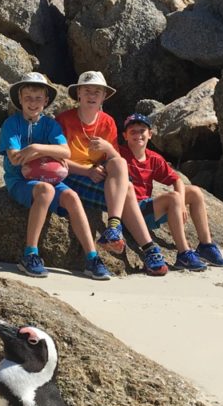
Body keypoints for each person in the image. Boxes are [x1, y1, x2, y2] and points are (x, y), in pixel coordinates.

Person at [0, 72, 112, 281]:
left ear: (46, 100)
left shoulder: (50, 125)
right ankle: (30, 254)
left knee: (72, 197)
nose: (33, 103)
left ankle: (92, 257)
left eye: (38, 98)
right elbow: (15, 159)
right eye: (28, 98)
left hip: (49, 178)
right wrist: (47, 154)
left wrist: (36, 149)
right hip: (20, 182)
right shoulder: (11, 125)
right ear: (20, 99)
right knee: (46, 190)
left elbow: (65, 152)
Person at [56, 71, 169, 276]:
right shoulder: (64, 120)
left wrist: (108, 147)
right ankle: (149, 249)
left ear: (103, 97)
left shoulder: (107, 121)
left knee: (119, 165)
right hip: (73, 175)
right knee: (125, 189)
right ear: (78, 93)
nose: (92, 95)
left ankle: (114, 228)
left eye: (97, 92)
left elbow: (115, 161)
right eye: (87, 90)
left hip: (100, 175)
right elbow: (57, 160)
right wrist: (86, 171)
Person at [119, 112, 223, 270]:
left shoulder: (153, 158)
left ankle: (206, 245)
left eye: (142, 130)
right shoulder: (120, 154)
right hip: (131, 212)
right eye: (132, 132)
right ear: (125, 136)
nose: (138, 135)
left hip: (148, 210)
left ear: (150, 134)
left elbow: (176, 180)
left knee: (195, 192)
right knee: (173, 198)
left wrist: (182, 204)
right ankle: (184, 253)